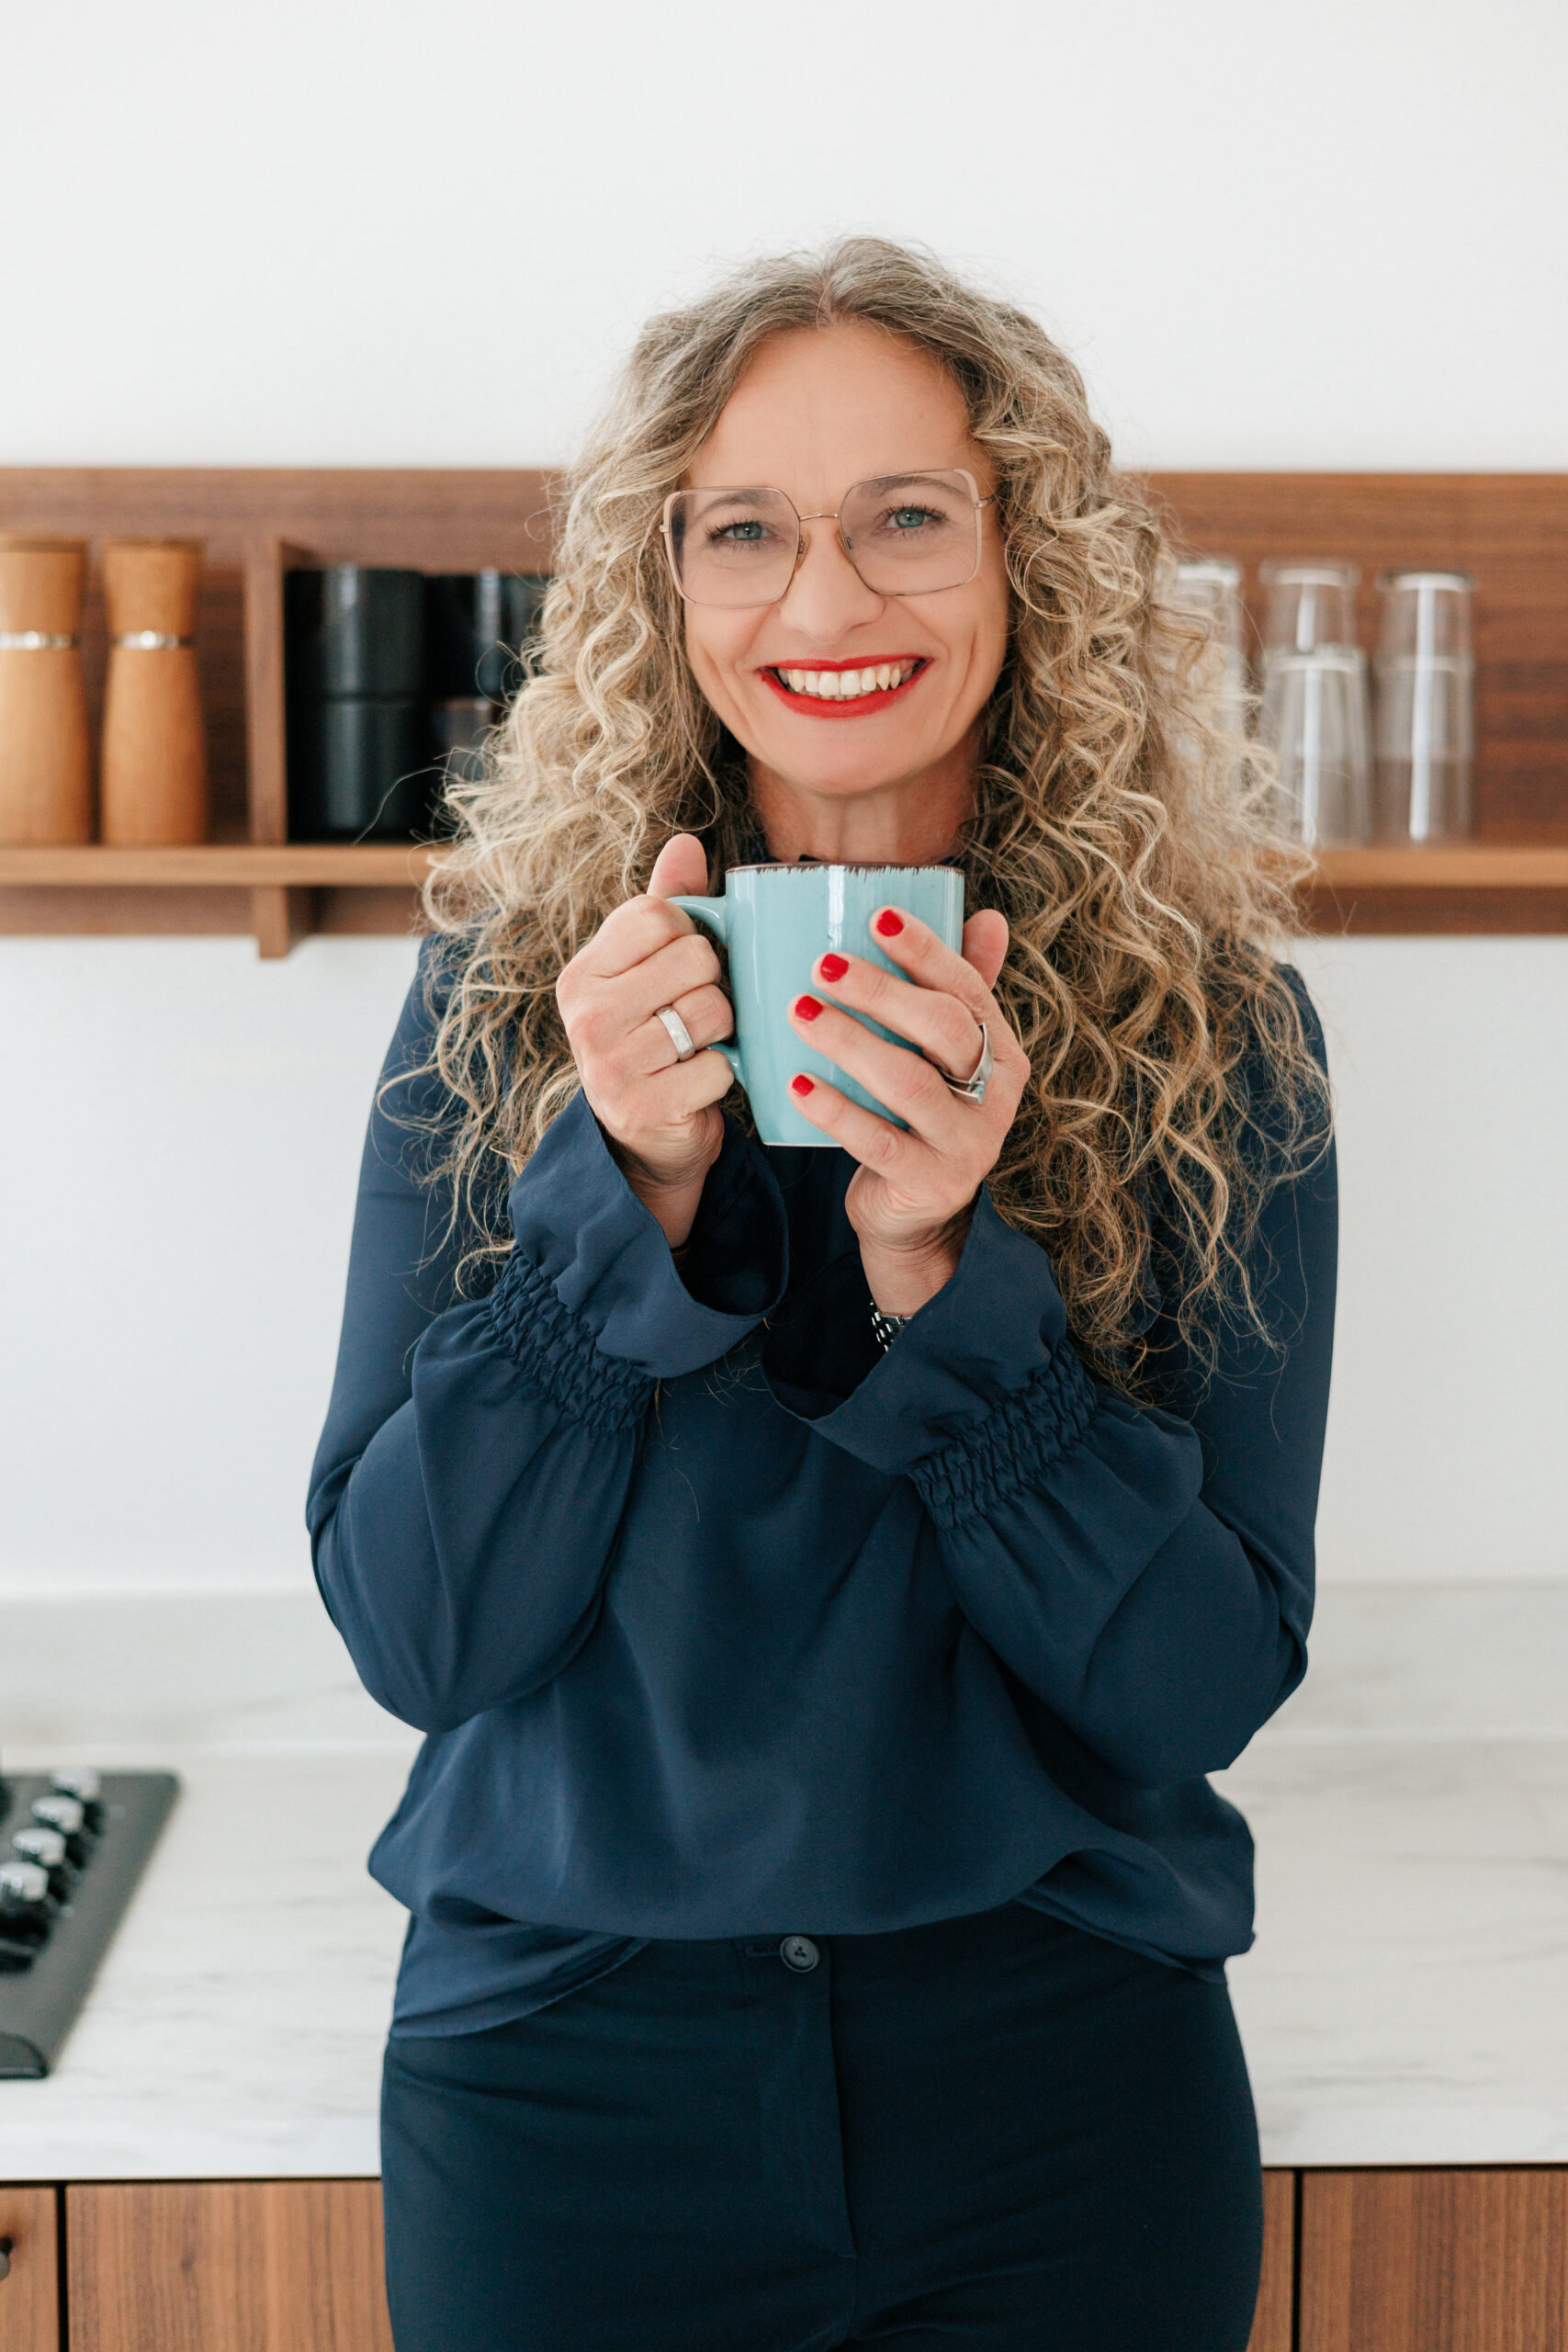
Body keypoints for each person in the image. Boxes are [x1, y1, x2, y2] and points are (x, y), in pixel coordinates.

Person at [309, 235, 1337, 2352]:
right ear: (664, 587)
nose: (824, 603)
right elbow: (422, 1633)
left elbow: (1190, 1685)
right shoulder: (501, 1012)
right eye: (745, 531)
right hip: (560, 2094)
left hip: (1063, 2094)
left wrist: (943, 1279)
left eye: (904, 520)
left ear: (1022, 560)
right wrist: (626, 1199)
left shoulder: (1215, 1038)